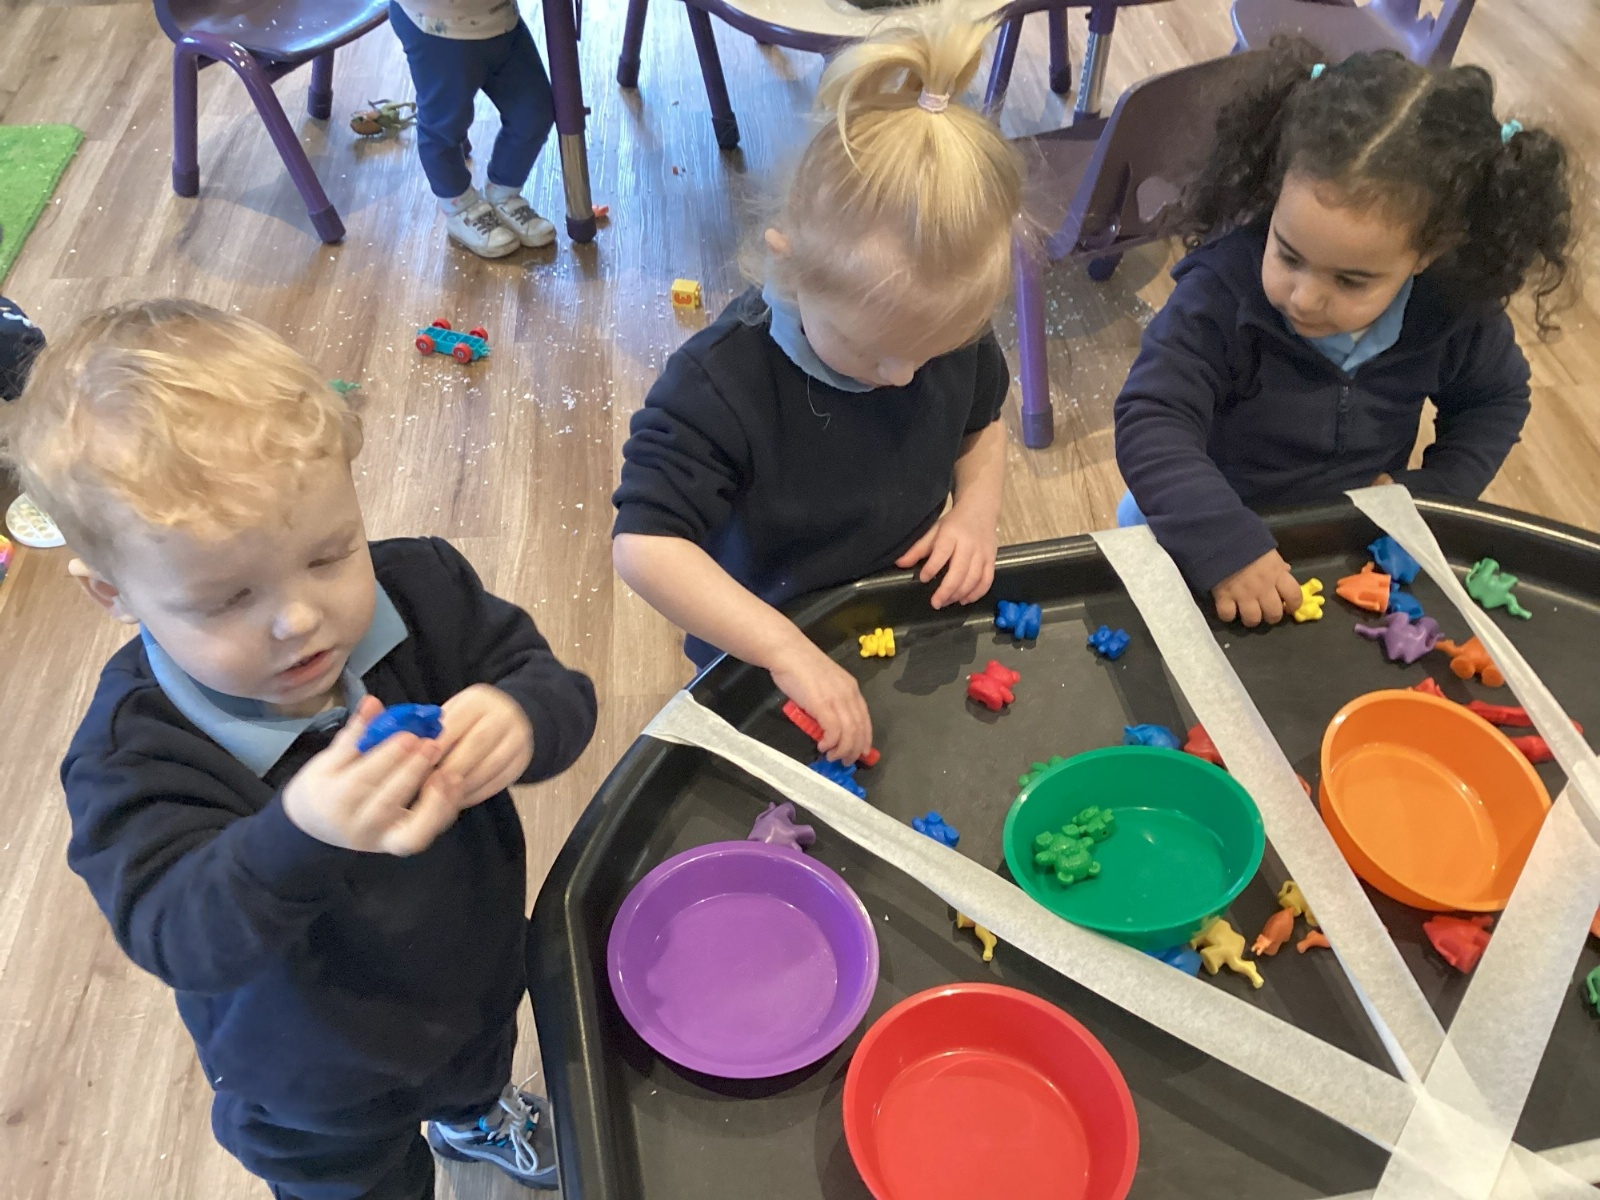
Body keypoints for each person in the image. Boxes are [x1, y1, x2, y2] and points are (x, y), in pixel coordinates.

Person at [0, 300, 596, 1199]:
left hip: (469, 977)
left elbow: (557, 690)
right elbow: (176, 932)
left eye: (328, 555)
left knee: (475, 1067)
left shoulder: (422, 590)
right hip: (308, 1081)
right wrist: (300, 832)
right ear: (113, 593)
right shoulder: (132, 752)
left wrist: (521, 716)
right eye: (225, 599)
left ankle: (474, 1115)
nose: (299, 619)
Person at [612, 2, 1025, 765]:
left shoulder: (930, 329)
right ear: (791, 266)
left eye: (932, 351)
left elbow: (982, 424)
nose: (904, 376)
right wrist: (781, 649)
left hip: (896, 609)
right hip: (762, 636)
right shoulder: (719, 383)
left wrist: (975, 514)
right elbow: (645, 547)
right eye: (875, 352)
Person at [1113, 42, 1575, 626]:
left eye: (1351, 280)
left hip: (1335, 551)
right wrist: (1223, 543)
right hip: (1195, 534)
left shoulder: (1451, 312)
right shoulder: (1219, 298)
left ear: (1429, 253)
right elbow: (1152, 419)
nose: (1304, 298)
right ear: (1276, 194)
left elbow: (1495, 399)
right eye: (1288, 253)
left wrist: (1433, 493)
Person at [389, 0, 558, 258]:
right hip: (438, 28)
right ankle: (459, 207)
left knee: (534, 111)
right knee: (443, 127)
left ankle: (503, 192)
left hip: (502, 22)